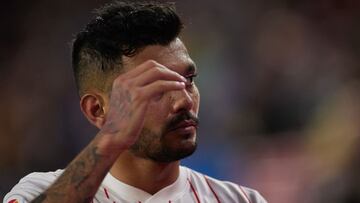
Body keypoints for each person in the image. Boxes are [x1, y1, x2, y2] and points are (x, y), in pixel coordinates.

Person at [3, 1, 267, 203]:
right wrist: (112, 138)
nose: (183, 101)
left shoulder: (241, 199)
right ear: (97, 110)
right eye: (154, 88)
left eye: (188, 79)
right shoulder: (38, 190)